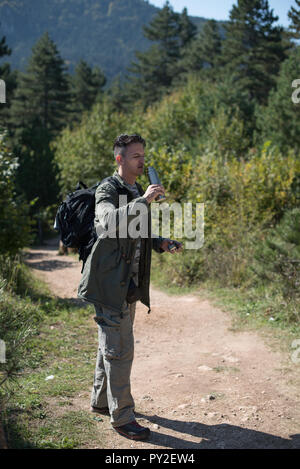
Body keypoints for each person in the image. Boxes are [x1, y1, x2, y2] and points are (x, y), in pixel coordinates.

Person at [78, 133, 182, 441]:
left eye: (143, 154)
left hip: (129, 283)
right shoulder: (108, 189)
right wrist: (145, 200)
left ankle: (100, 401)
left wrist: (160, 242)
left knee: (111, 345)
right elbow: (107, 224)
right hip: (108, 282)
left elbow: (136, 231)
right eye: (136, 155)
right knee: (120, 350)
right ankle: (122, 417)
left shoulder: (134, 188)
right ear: (119, 159)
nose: (142, 160)